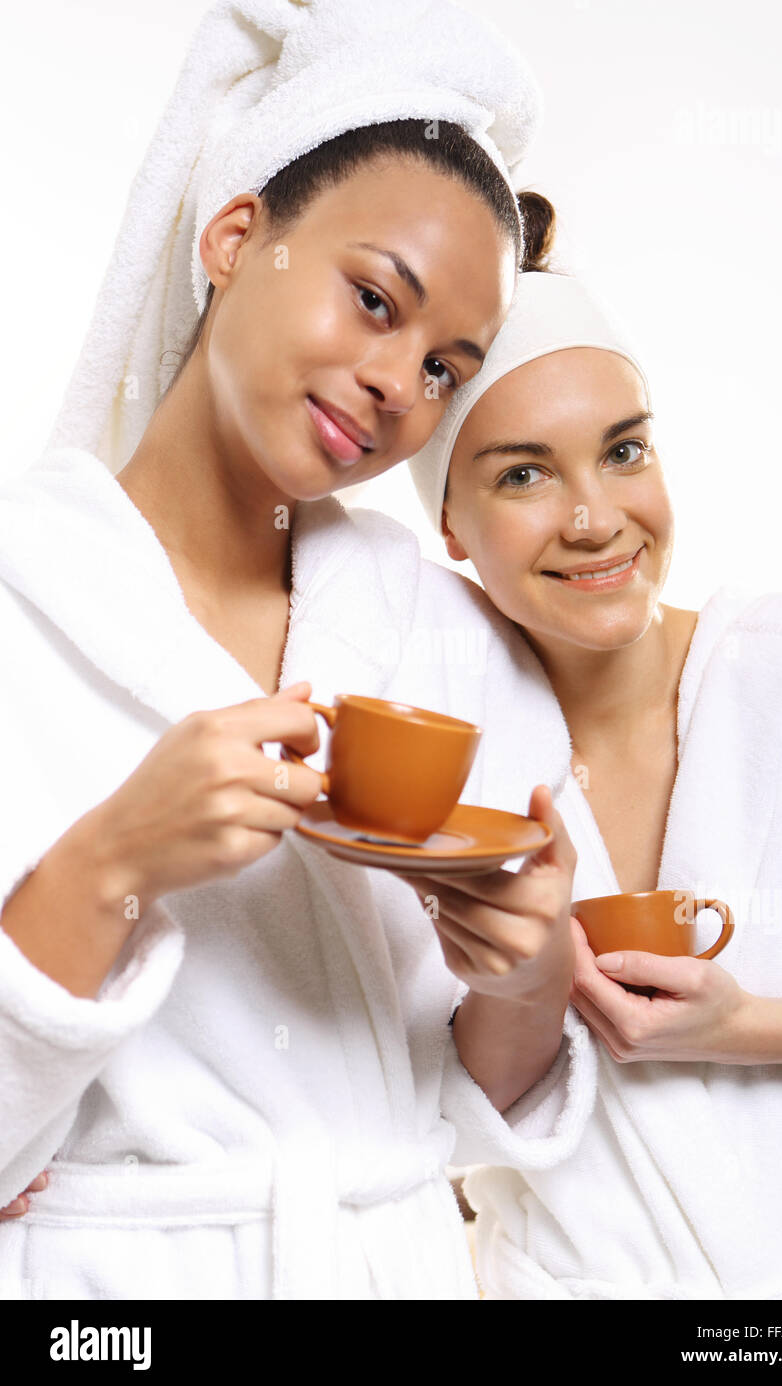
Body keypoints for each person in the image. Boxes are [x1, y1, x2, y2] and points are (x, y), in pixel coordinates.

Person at [0, 0, 594, 1300]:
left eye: (447, 366)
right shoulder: (17, 595)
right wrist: (109, 860)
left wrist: (528, 966)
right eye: (372, 299)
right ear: (234, 236)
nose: (397, 383)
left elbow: (483, 1098)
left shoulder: (445, 633)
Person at [407, 253, 782, 1300]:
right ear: (446, 524)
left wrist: (744, 1029)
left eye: (622, 452)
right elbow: (428, 1104)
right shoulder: (442, 769)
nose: (593, 518)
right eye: (521, 473)